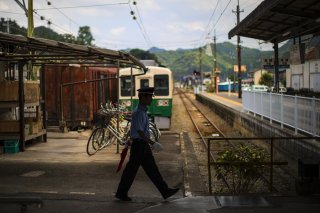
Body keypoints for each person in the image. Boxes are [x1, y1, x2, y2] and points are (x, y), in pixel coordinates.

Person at [115, 87, 179, 201]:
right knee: (131, 171)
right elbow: (139, 132)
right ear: (143, 97)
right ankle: (121, 192)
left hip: (142, 146)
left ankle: (165, 191)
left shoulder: (143, 111)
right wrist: (153, 143)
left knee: (151, 170)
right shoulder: (138, 113)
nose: (151, 99)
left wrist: (150, 143)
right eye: (149, 97)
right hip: (139, 145)